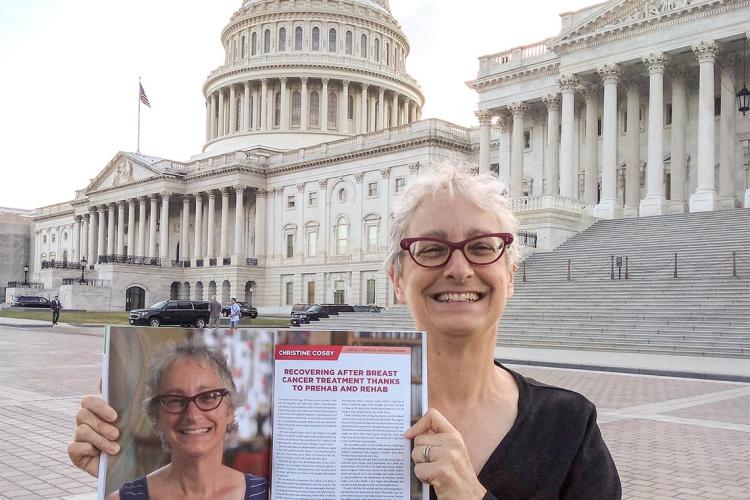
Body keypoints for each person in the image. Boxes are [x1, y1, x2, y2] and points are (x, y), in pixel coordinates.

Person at [69, 162, 620, 498]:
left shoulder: (568, 427)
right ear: (397, 280)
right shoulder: (296, 421)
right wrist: (130, 472)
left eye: (482, 247)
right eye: (430, 249)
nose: (458, 268)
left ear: (511, 272)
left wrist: (468, 495)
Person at [73, 342, 268, 499]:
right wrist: (105, 474)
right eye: (175, 400)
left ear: (230, 411)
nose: (192, 415)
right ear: (156, 417)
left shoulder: (267, 493)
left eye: (208, 397)